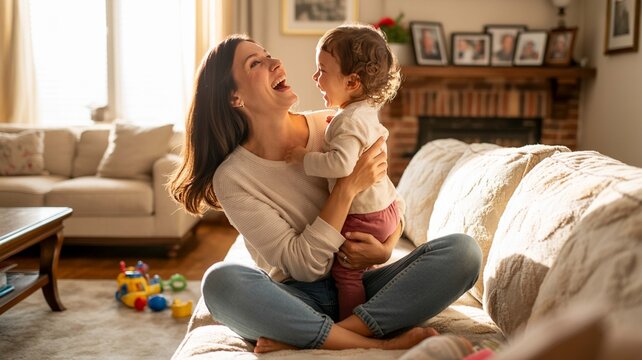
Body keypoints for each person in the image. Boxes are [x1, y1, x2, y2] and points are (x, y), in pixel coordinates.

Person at [169, 33, 482, 353]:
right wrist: (346, 188)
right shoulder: (233, 177)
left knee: (463, 253)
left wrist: (385, 250)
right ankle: (377, 342)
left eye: (268, 54)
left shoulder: (337, 125)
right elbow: (305, 266)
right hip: (298, 296)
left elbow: (391, 204)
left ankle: (326, 335)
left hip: (365, 286)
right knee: (221, 284)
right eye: (256, 63)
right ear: (235, 97)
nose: (275, 62)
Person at [284, 24, 401, 321]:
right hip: (388, 208)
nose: (315, 78)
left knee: (345, 275)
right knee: (360, 271)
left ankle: (351, 324)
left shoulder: (345, 122)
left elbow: (341, 165)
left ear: (352, 82)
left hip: (365, 217)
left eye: (322, 70)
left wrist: (303, 158)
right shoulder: (363, 111)